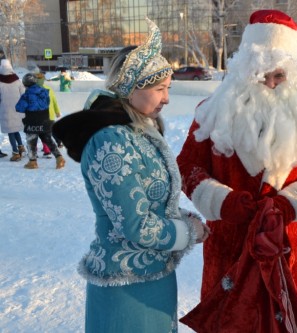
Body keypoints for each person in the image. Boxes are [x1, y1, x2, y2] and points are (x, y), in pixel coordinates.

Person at [177, 9, 297, 332]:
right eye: (261, 74)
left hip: (283, 247)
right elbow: (188, 166)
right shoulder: (212, 112)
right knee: (227, 322)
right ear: (244, 70)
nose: (270, 83)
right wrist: (221, 201)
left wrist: (290, 203)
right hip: (229, 246)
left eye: (279, 76)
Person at [52, 18, 210, 333]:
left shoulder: (137, 132)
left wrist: (185, 219)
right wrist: (187, 232)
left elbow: (149, 202)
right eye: (159, 88)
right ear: (130, 87)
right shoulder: (110, 141)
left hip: (153, 277)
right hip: (125, 286)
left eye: (168, 88)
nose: (166, 98)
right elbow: (136, 225)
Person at [15, 73, 65, 169]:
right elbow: (48, 103)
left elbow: (19, 108)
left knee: (31, 142)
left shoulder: (27, 95)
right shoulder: (44, 92)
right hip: (44, 120)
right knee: (49, 140)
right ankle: (59, 158)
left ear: (26, 83)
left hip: (32, 122)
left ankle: (32, 162)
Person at [0, 59, 26, 161]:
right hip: (17, 109)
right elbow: (23, 94)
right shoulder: (17, 80)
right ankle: (21, 146)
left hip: (5, 109)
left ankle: (15, 153)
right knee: (15, 129)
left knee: (11, 132)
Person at [35, 72, 63, 157]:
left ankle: (39, 149)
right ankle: (49, 148)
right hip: (50, 115)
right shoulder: (49, 89)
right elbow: (54, 101)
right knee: (47, 133)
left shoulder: (33, 90)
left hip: (38, 115)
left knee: (37, 133)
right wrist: (57, 111)